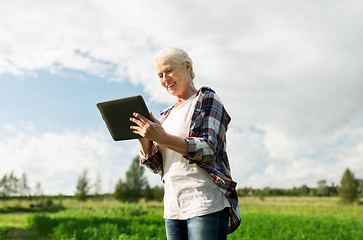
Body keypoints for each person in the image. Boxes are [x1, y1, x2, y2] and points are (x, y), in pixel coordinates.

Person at [130, 47, 241, 240]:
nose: (165, 78)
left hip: (206, 202)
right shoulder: (166, 115)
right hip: (174, 207)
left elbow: (209, 148)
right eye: (160, 75)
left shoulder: (206, 99)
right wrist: (145, 139)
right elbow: (158, 166)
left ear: (187, 67)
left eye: (169, 71)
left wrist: (163, 138)